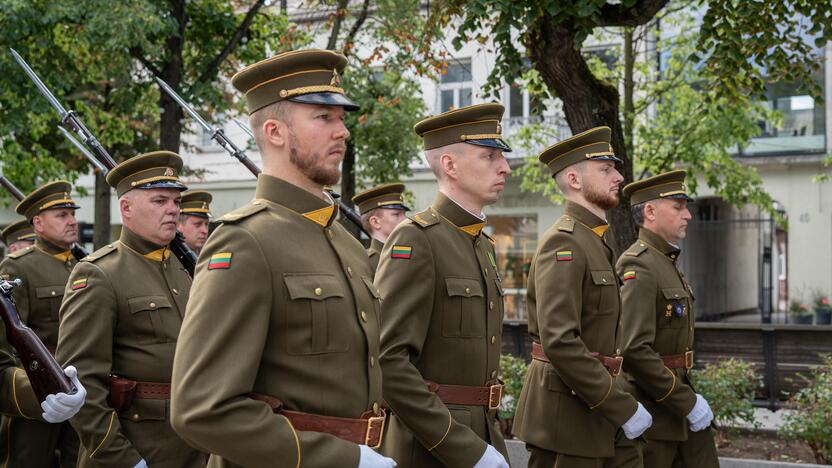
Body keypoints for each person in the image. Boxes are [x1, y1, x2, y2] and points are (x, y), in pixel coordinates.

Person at [170, 49, 396, 468]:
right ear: (275, 132)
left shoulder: (346, 243)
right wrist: (345, 458)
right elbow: (201, 410)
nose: (342, 131)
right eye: (324, 118)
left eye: (342, 118)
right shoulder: (245, 241)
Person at [375, 103, 511, 468]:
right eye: (490, 156)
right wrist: (462, 446)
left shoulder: (481, 243)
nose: (505, 168)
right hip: (431, 447)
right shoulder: (417, 239)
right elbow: (388, 360)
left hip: (484, 432)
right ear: (450, 165)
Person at [512, 126, 653, 468]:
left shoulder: (594, 239)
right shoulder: (565, 242)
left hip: (598, 402)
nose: (618, 176)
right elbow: (560, 341)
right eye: (606, 170)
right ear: (574, 180)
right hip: (569, 415)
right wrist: (621, 405)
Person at [56, 151, 206, 468]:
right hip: (138, 449)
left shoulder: (187, 269)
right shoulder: (99, 273)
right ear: (126, 208)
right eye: (160, 201)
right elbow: (81, 386)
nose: (173, 210)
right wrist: (126, 460)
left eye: (177, 202)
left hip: (195, 447)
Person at [618, 170, 718, 468]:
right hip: (657, 414)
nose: (687, 215)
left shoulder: (666, 262)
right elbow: (634, 349)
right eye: (678, 207)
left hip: (679, 402)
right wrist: (686, 403)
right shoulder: (640, 264)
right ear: (650, 211)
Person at [0, 180, 84, 467]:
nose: (72, 221)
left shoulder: (83, 265)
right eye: (62, 216)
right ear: (38, 222)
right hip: (39, 385)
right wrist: (28, 385)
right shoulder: (19, 266)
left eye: (72, 214)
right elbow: (9, 339)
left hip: (82, 384)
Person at [352, 183, 410, 274]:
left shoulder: (406, 254)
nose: (405, 219)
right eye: (396, 214)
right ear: (375, 222)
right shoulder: (366, 263)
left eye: (404, 214)